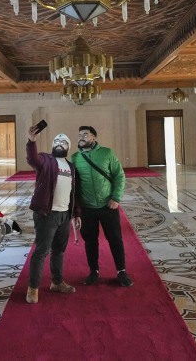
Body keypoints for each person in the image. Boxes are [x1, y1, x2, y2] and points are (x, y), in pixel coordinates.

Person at [24, 124, 82, 304]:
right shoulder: (45, 160)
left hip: (65, 215)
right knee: (41, 251)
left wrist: (76, 214)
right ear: (52, 146)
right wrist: (31, 141)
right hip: (47, 215)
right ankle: (33, 288)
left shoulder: (71, 167)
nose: (59, 143)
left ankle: (57, 282)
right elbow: (32, 159)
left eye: (63, 141)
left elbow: (74, 192)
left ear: (68, 147)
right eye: (56, 140)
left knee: (59, 251)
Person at [71, 125, 133, 287]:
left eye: (85, 134)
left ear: (94, 138)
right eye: (79, 135)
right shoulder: (76, 157)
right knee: (90, 240)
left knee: (115, 238)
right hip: (87, 207)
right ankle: (94, 271)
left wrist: (116, 197)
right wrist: (75, 211)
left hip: (108, 206)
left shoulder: (107, 153)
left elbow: (119, 176)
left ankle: (121, 271)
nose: (81, 137)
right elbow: (74, 184)